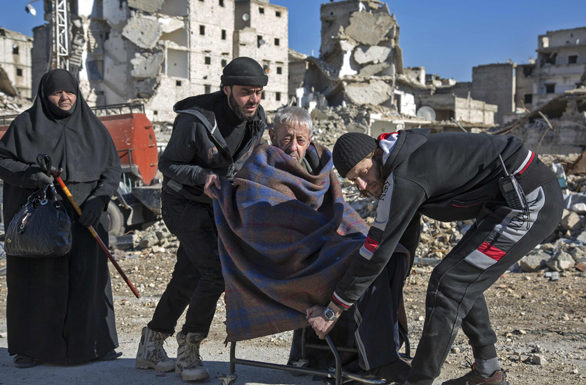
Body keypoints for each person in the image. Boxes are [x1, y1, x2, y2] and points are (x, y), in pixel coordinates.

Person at [307, 129, 564, 385]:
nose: (362, 185)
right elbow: (401, 242)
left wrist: (333, 310)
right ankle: (488, 373)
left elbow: (376, 248)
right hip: (506, 202)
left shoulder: (404, 176)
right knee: (459, 275)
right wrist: (391, 284)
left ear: (376, 155)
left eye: (363, 173)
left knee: (449, 283)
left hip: (529, 201)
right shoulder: (401, 158)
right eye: (354, 181)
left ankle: (418, 381)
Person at [211, 106, 411, 383]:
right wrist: (321, 240)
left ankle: (368, 354)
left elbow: (338, 211)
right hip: (286, 262)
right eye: (286, 138)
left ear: (310, 140)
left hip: (323, 247)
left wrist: (350, 237)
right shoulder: (260, 168)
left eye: (300, 140)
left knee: (381, 252)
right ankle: (371, 360)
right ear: (271, 135)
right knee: (358, 259)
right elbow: (261, 220)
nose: (293, 147)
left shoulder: (322, 169)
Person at [135, 57, 268, 382]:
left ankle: (150, 345)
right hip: (183, 202)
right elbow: (167, 165)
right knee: (214, 273)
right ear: (226, 90)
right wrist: (203, 176)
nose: (254, 100)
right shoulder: (195, 122)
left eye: (259, 92)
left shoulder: (256, 119)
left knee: (188, 274)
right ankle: (188, 349)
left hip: (217, 203)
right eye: (245, 93)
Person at [0, 69, 122, 368]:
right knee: (38, 282)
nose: (64, 98)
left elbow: (111, 170)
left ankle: (95, 345)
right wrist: (34, 176)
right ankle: (31, 349)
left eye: (69, 92)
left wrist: (100, 200)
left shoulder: (93, 127)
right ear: (45, 95)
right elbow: (3, 161)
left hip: (86, 218)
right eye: (57, 92)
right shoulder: (25, 125)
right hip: (43, 219)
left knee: (88, 280)